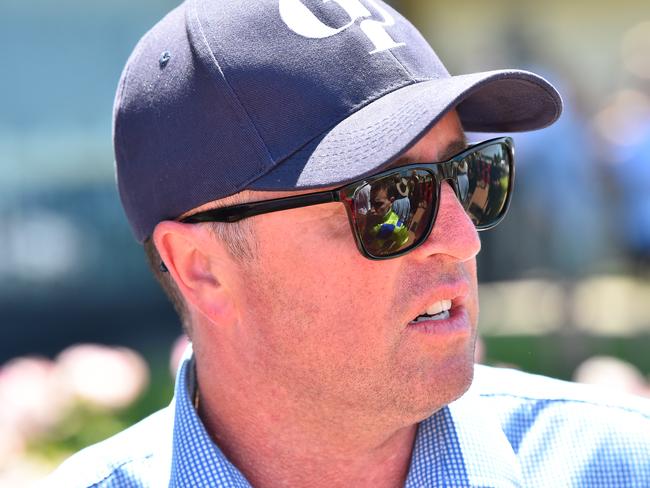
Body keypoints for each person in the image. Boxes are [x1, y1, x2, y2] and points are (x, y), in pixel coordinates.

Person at [49, 0, 650, 486]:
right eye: (389, 201)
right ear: (202, 269)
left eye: (469, 175)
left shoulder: (622, 464)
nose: (463, 240)